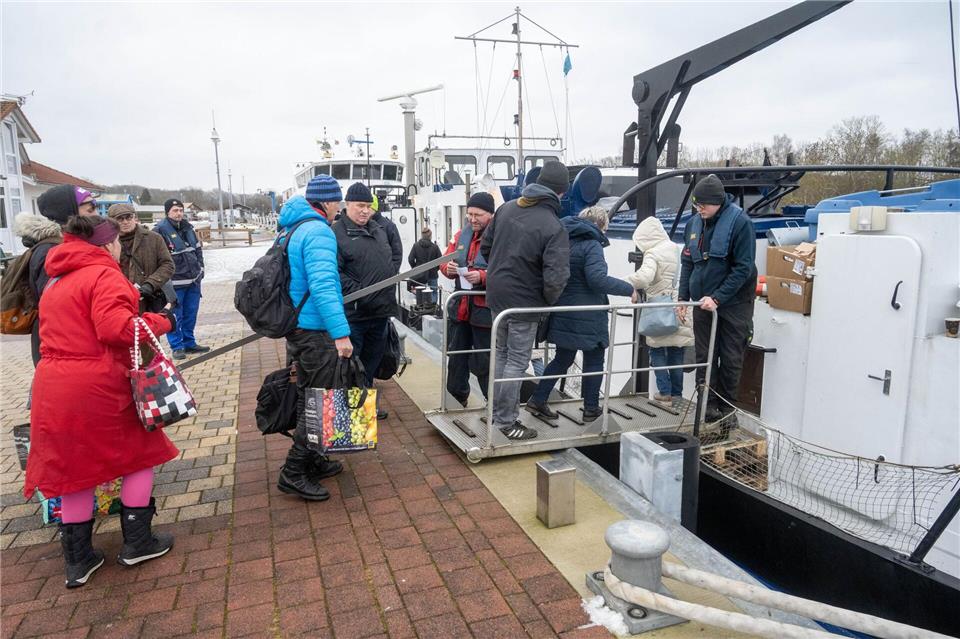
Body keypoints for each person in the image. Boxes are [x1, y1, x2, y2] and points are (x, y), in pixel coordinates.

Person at [24, 215, 179, 588]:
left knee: (73, 469)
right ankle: (138, 542)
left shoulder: (58, 277)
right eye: (115, 242)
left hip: (54, 382)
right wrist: (160, 321)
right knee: (141, 455)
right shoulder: (104, 274)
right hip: (98, 384)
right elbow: (116, 330)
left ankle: (78, 561)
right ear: (107, 244)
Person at [277, 174, 354, 501]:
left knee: (310, 394)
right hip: (315, 330)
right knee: (321, 400)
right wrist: (341, 334)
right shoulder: (319, 231)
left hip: (297, 325)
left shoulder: (292, 227)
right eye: (339, 201)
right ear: (328, 202)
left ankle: (314, 458)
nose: (341, 207)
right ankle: (293, 471)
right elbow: (324, 287)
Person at [480, 161, 571, 440]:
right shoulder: (553, 226)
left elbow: (485, 247)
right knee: (517, 360)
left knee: (502, 355)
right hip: (525, 302)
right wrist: (545, 302)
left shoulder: (506, 209)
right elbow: (556, 277)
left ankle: (495, 411)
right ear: (562, 193)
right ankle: (507, 420)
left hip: (496, 295)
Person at [527, 206, 635, 422]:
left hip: (563, 311)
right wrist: (629, 289)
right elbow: (596, 279)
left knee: (562, 358)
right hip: (588, 314)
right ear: (600, 225)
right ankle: (591, 408)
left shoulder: (562, 240)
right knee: (595, 359)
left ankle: (538, 399)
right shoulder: (592, 244)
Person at [677, 174, 757, 424]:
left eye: (704, 205)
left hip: (733, 304)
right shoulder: (693, 225)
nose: (699, 209)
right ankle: (707, 404)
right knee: (704, 355)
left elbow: (743, 268)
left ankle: (727, 409)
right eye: (696, 205)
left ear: (718, 203)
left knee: (731, 356)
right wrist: (682, 297)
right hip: (702, 302)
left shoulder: (741, 224)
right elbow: (688, 262)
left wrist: (718, 298)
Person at [19, 185, 100, 365]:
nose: (96, 214)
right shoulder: (52, 251)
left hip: (72, 344)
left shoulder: (67, 247)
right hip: (61, 349)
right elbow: (58, 307)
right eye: (91, 208)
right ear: (69, 213)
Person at [332, 183, 396, 396]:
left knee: (370, 365)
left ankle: (364, 412)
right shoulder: (336, 233)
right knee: (351, 369)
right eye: (360, 205)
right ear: (347, 204)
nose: (365, 210)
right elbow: (335, 273)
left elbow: (390, 260)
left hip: (379, 314)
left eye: (368, 206)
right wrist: (361, 292)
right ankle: (352, 417)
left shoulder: (377, 230)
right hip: (355, 315)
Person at [626, 216, 695, 406]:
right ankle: (677, 394)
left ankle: (664, 392)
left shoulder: (653, 254)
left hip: (659, 308)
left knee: (656, 350)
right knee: (676, 353)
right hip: (680, 307)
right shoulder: (675, 247)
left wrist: (624, 282)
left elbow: (644, 278)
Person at [442, 192, 496, 406]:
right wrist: (450, 269)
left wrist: (483, 276)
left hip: (484, 312)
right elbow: (444, 263)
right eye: (470, 214)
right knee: (456, 357)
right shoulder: (460, 236)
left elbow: (508, 270)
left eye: (478, 215)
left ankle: (493, 405)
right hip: (461, 309)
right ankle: (456, 398)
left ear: (490, 215)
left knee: (485, 360)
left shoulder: (500, 237)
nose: (472, 219)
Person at [154, 198, 208, 360]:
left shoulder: (189, 229)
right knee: (176, 316)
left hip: (193, 281)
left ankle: (189, 343)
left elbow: (198, 250)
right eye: (175, 210)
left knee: (190, 314)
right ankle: (177, 347)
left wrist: (201, 268)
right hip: (175, 283)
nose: (179, 214)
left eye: (180, 210)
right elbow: (159, 259)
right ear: (167, 212)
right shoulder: (159, 231)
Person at [108, 203, 174, 313]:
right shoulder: (106, 243)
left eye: (128, 217)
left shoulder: (154, 238)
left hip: (150, 300)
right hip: (120, 301)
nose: (125, 221)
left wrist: (150, 284)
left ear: (135, 218)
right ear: (111, 221)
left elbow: (167, 265)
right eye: (120, 218)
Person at [408, 227, 442, 303]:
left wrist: (416, 268)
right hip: (432, 274)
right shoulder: (435, 247)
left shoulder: (416, 246)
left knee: (420, 293)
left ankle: (422, 310)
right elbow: (441, 261)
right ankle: (433, 310)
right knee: (433, 292)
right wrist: (435, 269)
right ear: (430, 236)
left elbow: (410, 259)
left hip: (420, 275)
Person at [371, 194, 402, 273]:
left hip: (385, 278)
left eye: (368, 207)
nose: (365, 210)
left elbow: (397, 252)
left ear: (374, 208)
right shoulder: (361, 225)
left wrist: (391, 273)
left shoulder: (389, 226)